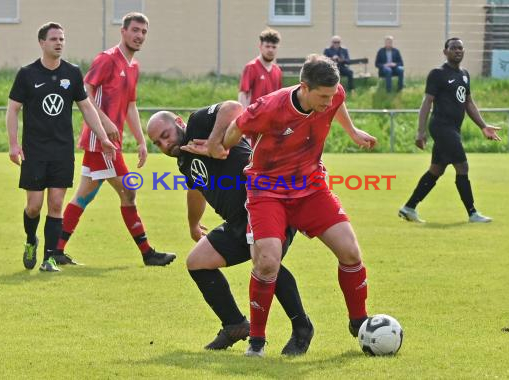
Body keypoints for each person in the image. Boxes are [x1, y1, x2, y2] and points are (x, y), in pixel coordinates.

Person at [185, 54, 378, 357]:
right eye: (322, 97)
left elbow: (338, 103)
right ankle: (257, 343)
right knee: (266, 261)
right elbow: (237, 124)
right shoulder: (270, 107)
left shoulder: (333, 93)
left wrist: (353, 132)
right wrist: (220, 146)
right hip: (267, 192)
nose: (328, 102)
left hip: (310, 187)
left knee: (351, 252)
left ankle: (360, 323)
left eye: (331, 95)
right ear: (304, 87)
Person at [146, 101, 314, 356]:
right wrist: (192, 224)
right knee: (198, 262)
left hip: (267, 205)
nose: (165, 144)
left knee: (265, 263)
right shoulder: (183, 160)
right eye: (157, 143)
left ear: (179, 122)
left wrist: (214, 142)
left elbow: (234, 107)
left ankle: (302, 327)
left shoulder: (198, 123)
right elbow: (196, 191)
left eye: (165, 135)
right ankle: (235, 324)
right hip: (238, 221)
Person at [54, 12, 176, 268]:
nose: (139, 36)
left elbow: (130, 105)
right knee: (129, 191)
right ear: (123, 31)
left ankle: (56, 249)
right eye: (135, 30)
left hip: (109, 143)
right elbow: (83, 94)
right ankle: (147, 253)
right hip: (101, 142)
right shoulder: (107, 59)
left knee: (83, 197)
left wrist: (142, 141)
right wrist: (105, 124)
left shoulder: (133, 66)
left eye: (143, 32)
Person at [6, 22, 116, 272]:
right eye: (54, 39)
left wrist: (103, 137)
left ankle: (49, 258)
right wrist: (13, 145)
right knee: (34, 206)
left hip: (62, 150)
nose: (59, 43)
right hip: (34, 150)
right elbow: (13, 109)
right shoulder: (27, 74)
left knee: (56, 204)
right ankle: (30, 240)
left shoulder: (72, 73)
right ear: (42, 43)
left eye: (62, 39)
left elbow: (86, 107)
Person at [398, 38, 501, 224]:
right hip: (441, 127)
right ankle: (472, 213)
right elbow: (426, 102)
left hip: (453, 129)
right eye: (453, 48)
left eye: (460, 47)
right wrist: (420, 132)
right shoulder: (438, 74)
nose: (458, 51)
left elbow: (468, 102)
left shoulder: (465, 74)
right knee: (463, 167)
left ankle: (409, 207)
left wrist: (483, 126)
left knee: (436, 170)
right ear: (445, 52)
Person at [238, 28, 283, 108]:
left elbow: (278, 97)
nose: (270, 50)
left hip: (271, 117)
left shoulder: (277, 70)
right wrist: (244, 116)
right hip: (253, 117)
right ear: (260, 46)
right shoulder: (251, 67)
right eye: (267, 46)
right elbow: (243, 95)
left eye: (274, 47)